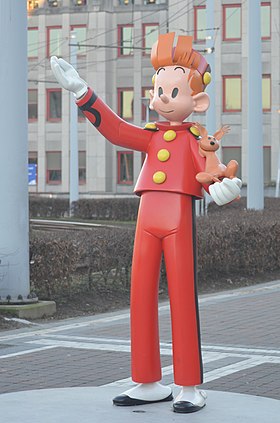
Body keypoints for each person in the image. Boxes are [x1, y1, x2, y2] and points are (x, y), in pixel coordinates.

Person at [51, 32, 241, 414]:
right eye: (158, 89)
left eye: (171, 90)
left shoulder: (196, 139)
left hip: (177, 218)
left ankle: (188, 386)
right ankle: (147, 381)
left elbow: (215, 170)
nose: (162, 97)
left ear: (197, 101)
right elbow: (116, 129)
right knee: (139, 295)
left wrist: (229, 185)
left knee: (183, 298)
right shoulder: (151, 136)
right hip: (147, 218)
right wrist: (83, 92)